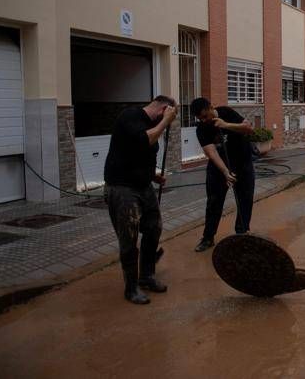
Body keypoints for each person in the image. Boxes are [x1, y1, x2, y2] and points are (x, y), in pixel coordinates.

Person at [104, 95, 178, 304]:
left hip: (144, 186)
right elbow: (144, 140)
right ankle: (131, 287)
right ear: (163, 109)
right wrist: (166, 122)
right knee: (129, 238)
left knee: (154, 228)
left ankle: (146, 276)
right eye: (169, 115)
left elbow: (138, 153)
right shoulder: (130, 116)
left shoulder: (151, 124)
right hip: (122, 188)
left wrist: (153, 174)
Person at [191, 97, 256, 253]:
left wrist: (226, 125)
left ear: (211, 107)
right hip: (219, 169)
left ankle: (241, 233)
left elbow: (248, 129)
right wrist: (225, 172)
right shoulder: (201, 128)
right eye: (200, 119)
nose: (204, 120)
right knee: (214, 202)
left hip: (243, 164)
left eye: (205, 116)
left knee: (245, 199)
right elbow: (211, 152)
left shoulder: (226, 112)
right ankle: (208, 238)